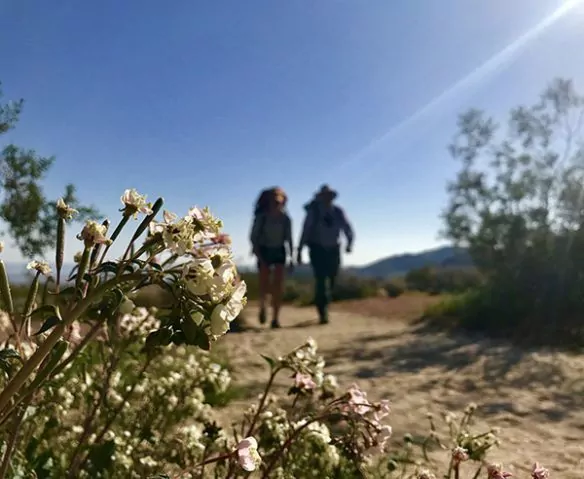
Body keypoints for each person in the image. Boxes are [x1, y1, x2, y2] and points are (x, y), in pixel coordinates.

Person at [297, 184, 354, 324]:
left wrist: (349, 242)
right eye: (325, 196)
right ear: (321, 197)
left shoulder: (338, 211)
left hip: (334, 248)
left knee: (333, 276)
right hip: (317, 249)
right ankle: (323, 311)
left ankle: (324, 303)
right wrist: (299, 249)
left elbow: (347, 227)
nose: (328, 198)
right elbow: (306, 230)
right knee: (321, 280)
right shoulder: (314, 212)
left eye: (329, 196)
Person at [250, 187, 293, 329]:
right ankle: (263, 306)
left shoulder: (286, 218)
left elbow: (289, 238)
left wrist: (292, 257)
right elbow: (254, 236)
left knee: (278, 285)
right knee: (264, 283)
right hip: (264, 250)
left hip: (279, 251)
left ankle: (275, 318)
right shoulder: (262, 217)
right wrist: (257, 252)